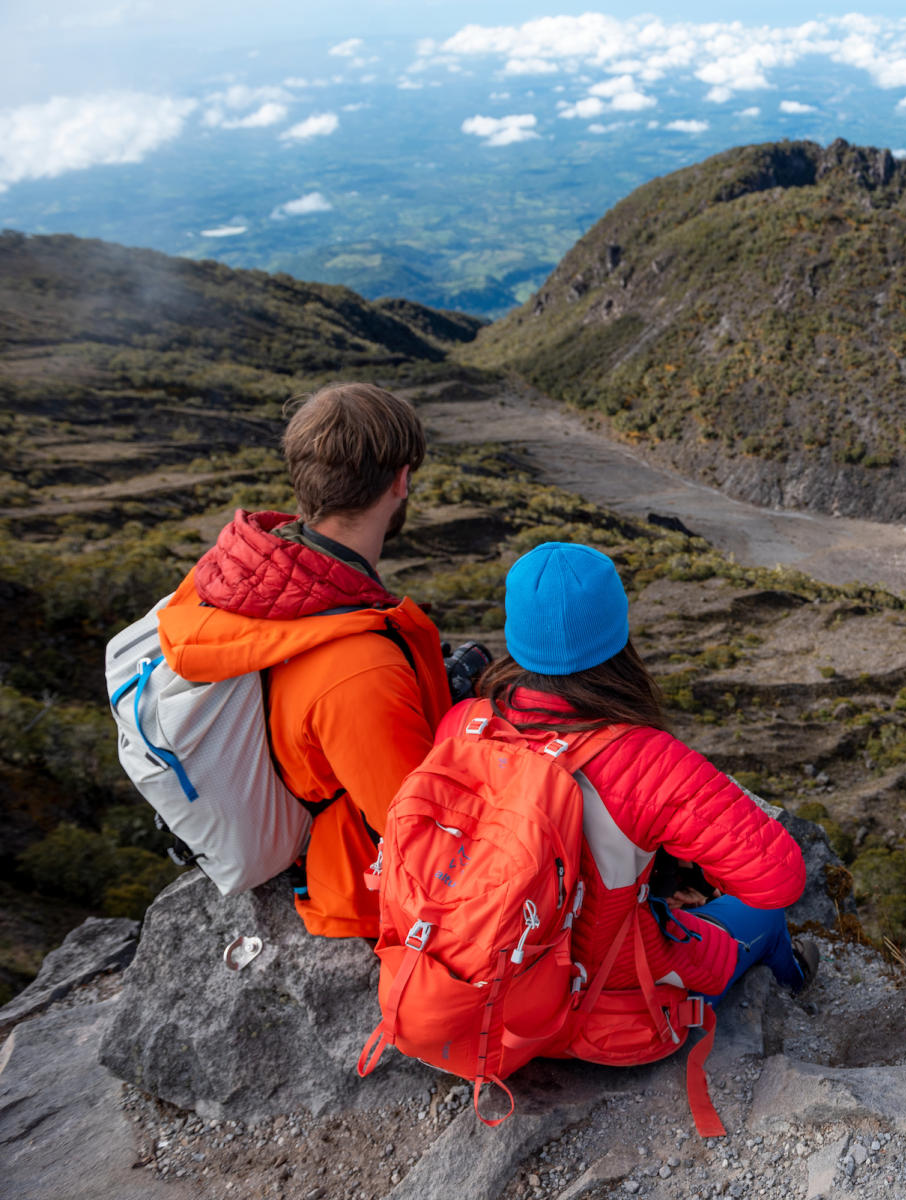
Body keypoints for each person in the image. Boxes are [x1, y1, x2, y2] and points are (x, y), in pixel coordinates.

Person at [446, 540, 816, 1005]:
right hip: (600, 1002)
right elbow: (779, 878)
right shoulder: (647, 761)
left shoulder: (464, 724)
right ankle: (796, 992)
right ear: (617, 633)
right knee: (764, 918)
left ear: (515, 632)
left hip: (477, 986)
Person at [155, 382, 452, 938]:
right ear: (401, 480)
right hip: (355, 896)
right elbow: (425, 840)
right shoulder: (362, 668)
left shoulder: (223, 575)